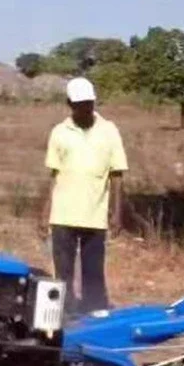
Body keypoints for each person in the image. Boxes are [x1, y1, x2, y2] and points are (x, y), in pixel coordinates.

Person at [40, 77, 127, 314]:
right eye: (80, 104)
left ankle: (95, 311)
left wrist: (117, 214)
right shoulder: (59, 132)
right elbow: (53, 175)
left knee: (93, 270)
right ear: (69, 103)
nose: (85, 108)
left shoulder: (109, 131)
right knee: (63, 271)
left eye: (89, 102)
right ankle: (66, 314)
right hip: (63, 214)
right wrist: (44, 213)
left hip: (95, 214)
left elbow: (117, 174)